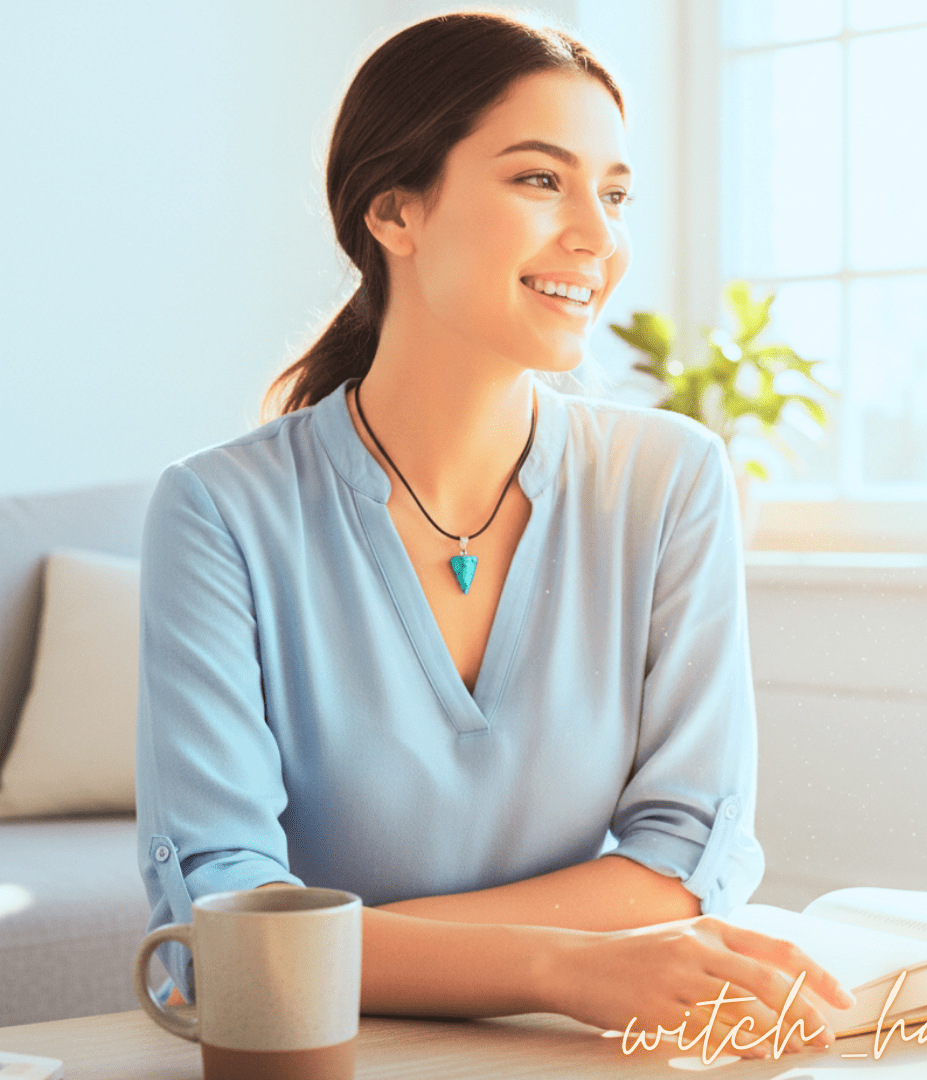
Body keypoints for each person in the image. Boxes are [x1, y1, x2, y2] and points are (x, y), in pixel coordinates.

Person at [136, 9, 853, 1055]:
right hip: (322, 1056)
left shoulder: (671, 480)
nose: (599, 237)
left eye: (613, 194)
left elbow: (687, 857)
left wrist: (332, 946)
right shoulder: (217, 514)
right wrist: (558, 964)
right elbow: (226, 913)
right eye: (539, 180)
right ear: (394, 210)